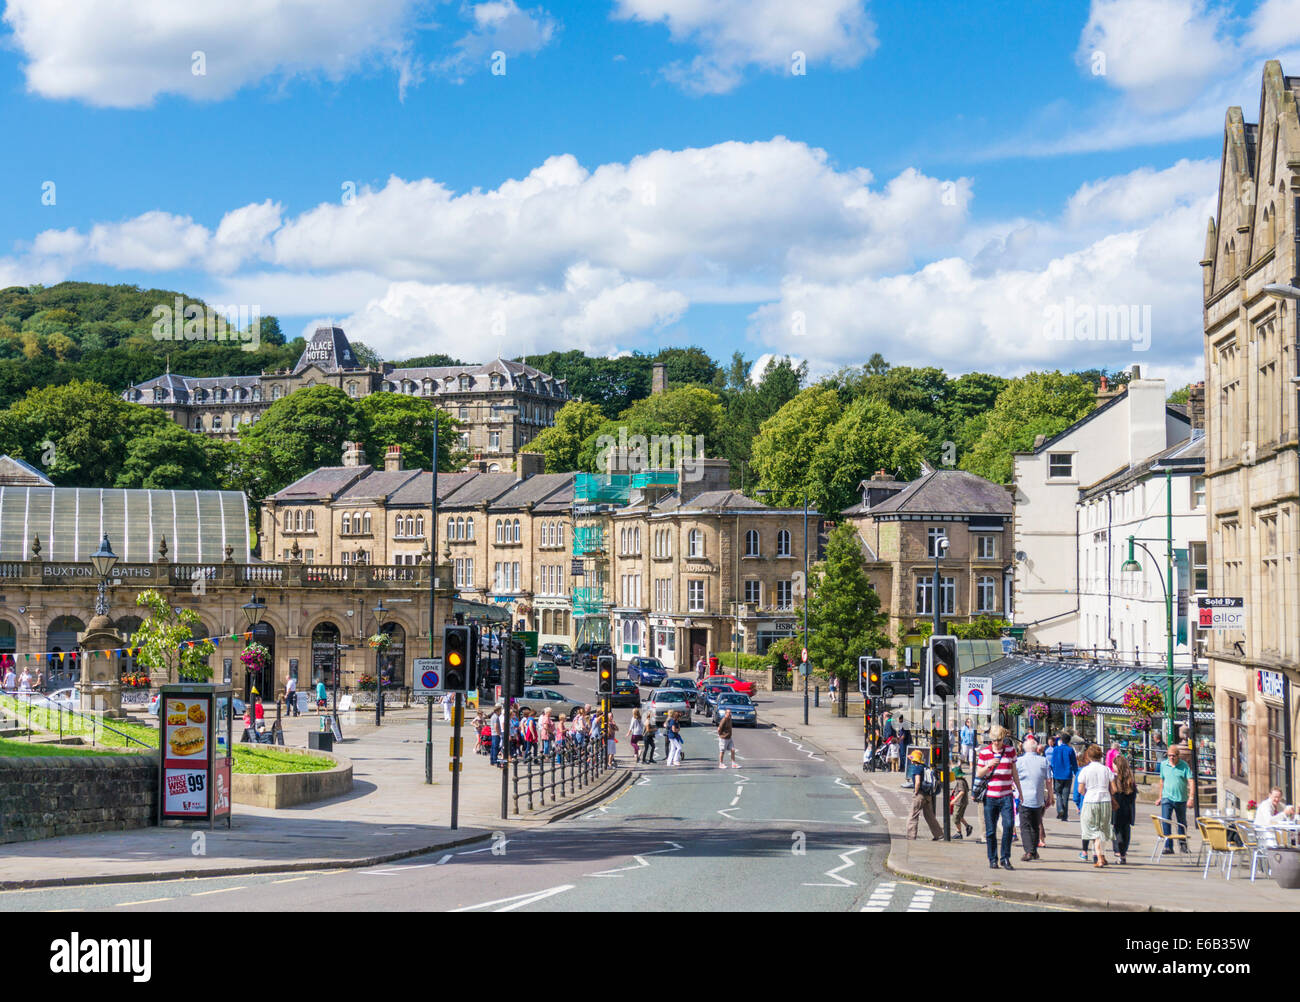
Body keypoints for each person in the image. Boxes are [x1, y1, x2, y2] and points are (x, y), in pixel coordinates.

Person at [976, 724, 1023, 870]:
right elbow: (979, 774)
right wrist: (989, 765)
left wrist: (1020, 791)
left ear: (1003, 738)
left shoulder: (1010, 751)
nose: (996, 743)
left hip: (1006, 795)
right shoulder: (984, 753)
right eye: (994, 740)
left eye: (999, 740)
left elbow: (1014, 772)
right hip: (990, 796)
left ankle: (1005, 858)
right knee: (990, 830)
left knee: (1008, 826)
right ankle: (993, 859)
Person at [1015, 735, 1053, 861]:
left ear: (1025, 749)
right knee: (1035, 825)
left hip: (1024, 798)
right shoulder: (1044, 761)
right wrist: (1051, 796)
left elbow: (1013, 778)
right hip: (1038, 798)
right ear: (1036, 748)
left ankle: (1029, 851)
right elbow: (1048, 780)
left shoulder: (1019, 761)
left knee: (1025, 826)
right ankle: (1034, 850)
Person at [1076, 744, 1114, 867]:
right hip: (1105, 800)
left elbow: (1080, 789)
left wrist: (1089, 791)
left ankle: (1099, 858)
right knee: (1102, 829)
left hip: (1090, 800)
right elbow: (1114, 788)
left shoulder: (1085, 770)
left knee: (1092, 830)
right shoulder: (1106, 769)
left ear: (1088, 756)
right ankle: (1101, 854)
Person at [1158, 744, 1194, 854]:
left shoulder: (1184, 766)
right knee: (1166, 821)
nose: (1171, 758)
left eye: (1173, 756)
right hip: (1167, 798)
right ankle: (1168, 846)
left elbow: (1191, 781)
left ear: (1178, 755)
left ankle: (1183, 845)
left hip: (1180, 798)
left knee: (1181, 822)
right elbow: (1161, 781)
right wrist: (1160, 797)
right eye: (1169, 755)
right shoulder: (1164, 765)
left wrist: (1191, 797)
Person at [906, 748, 943, 840]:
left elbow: (917, 782)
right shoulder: (925, 767)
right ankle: (939, 834)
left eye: (911, 759)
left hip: (920, 794)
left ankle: (911, 836)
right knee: (930, 816)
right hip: (928, 795)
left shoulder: (916, 768)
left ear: (914, 759)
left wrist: (915, 791)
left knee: (913, 815)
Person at [1110, 752, 1138, 864]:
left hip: (1116, 809)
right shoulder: (1130, 780)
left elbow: (1111, 792)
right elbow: (1133, 795)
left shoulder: (1114, 779)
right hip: (1128, 810)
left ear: (1117, 766)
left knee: (1117, 831)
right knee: (1126, 831)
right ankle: (1123, 853)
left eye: (1114, 764)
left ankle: (1118, 852)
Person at [1049, 731, 1079, 822]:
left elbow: (1053, 763)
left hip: (1057, 774)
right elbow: (1074, 763)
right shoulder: (1070, 750)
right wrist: (1076, 772)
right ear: (1069, 741)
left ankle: (1060, 810)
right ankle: (1064, 815)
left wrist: (1053, 771)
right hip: (1067, 775)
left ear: (1061, 740)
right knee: (1065, 795)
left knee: (1058, 794)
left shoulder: (1056, 749)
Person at [950, 763, 973, 838]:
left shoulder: (960, 781)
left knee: (955, 818)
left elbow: (962, 792)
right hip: (964, 802)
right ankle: (967, 826)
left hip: (959, 802)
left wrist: (954, 800)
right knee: (960, 816)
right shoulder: (963, 780)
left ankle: (959, 833)